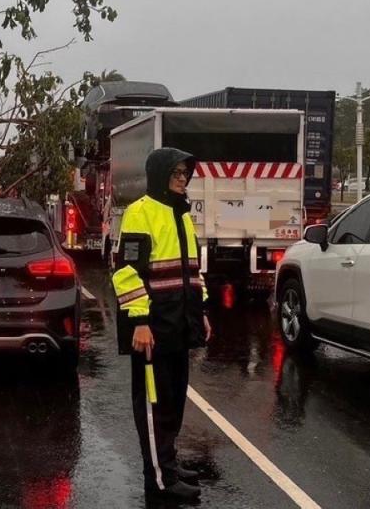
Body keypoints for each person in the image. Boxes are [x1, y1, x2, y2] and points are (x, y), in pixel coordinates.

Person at [111, 147, 211, 502]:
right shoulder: (141, 212)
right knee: (154, 405)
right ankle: (159, 479)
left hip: (179, 324)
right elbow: (126, 272)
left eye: (185, 174)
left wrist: (201, 312)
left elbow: (191, 271)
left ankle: (167, 462)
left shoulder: (181, 214)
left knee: (174, 400)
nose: (182, 180)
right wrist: (139, 321)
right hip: (152, 328)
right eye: (176, 174)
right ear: (160, 176)